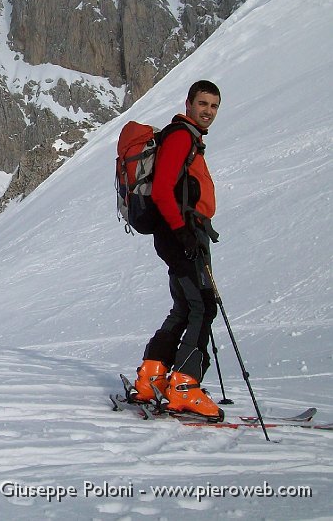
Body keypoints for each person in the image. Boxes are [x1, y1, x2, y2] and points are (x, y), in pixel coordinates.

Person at [131, 80, 223, 418]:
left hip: (181, 233)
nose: (208, 111)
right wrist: (184, 233)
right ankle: (184, 386)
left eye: (213, 106)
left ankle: (152, 379)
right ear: (188, 103)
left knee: (185, 306)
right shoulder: (181, 136)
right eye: (203, 104)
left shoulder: (188, 138)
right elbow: (162, 190)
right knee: (203, 306)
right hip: (180, 234)